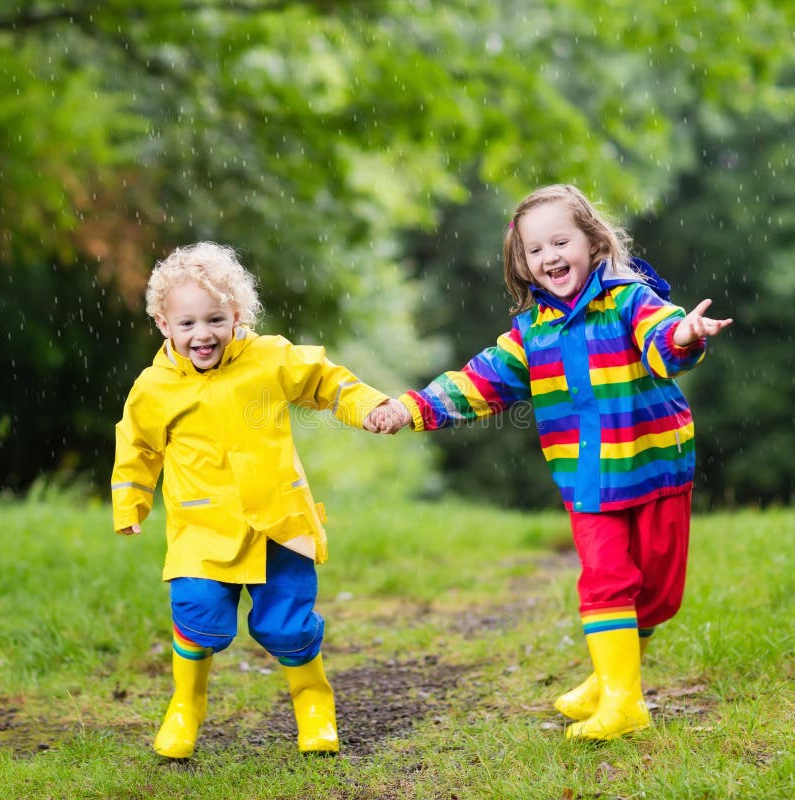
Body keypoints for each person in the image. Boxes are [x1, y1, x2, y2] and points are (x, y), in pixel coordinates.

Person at [367, 184, 732, 741]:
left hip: (656, 465)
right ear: (523, 263)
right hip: (588, 479)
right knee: (607, 582)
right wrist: (410, 408)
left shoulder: (631, 299)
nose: (550, 257)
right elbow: (476, 382)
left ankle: (613, 676)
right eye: (535, 251)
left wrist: (683, 335)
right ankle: (623, 698)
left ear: (591, 241)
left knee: (657, 594)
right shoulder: (530, 334)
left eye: (561, 242)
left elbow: (661, 341)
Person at [111, 242, 390, 758]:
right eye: (187, 323)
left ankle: (313, 702)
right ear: (163, 325)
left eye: (215, 319)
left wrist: (370, 407)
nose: (203, 334)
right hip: (202, 530)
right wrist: (131, 505)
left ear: (236, 316)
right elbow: (137, 446)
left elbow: (327, 381)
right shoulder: (153, 388)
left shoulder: (269, 359)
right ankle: (185, 706)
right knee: (197, 612)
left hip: (278, 523)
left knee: (285, 624)